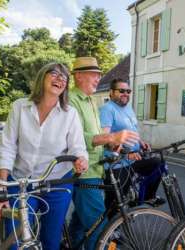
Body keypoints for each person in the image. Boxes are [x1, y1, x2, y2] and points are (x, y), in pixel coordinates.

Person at [0, 63, 88, 250]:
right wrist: (1, 189)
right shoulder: (20, 107)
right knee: (14, 241)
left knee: (51, 241)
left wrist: (81, 160)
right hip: (21, 183)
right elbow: (7, 148)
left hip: (57, 184)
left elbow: (78, 148)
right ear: (42, 77)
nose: (60, 79)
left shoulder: (70, 114)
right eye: (54, 74)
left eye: (64, 77)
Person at [68, 57, 139, 250]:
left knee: (81, 222)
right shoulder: (71, 99)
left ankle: (71, 245)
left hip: (96, 169)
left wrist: (112, 145)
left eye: (99, 74)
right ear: (79, 76)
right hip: (85, 171)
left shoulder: (90, 100)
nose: (98, 78)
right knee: (98, 227)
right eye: (94, 74)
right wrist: (111, 137)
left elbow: (97, 136)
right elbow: (73, 138)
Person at [99, 78, 164, 216]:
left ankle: (146, 195)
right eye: (121, 91)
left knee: (158, 162)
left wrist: (141, 142)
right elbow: (106, 139)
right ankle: (110, 232)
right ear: (111, 92)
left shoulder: (128, 108)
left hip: (134, 157)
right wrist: (125, 154)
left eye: (128, 91)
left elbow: (132, 130)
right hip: (117, 164)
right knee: (115, 203)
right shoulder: (107, 109)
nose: (125, 94)